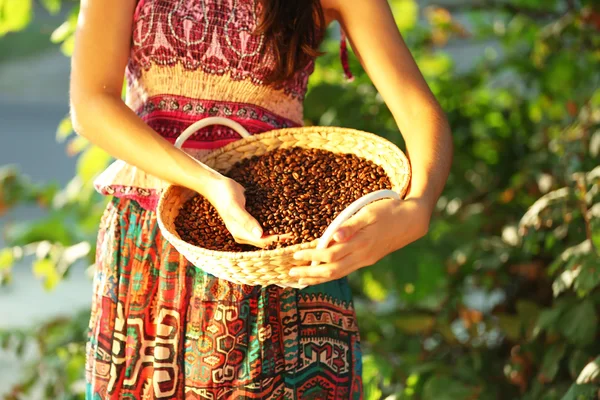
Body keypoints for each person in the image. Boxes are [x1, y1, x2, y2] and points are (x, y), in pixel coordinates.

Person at [70, 0, 452, 398]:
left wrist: (417, 208)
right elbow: (92, 105)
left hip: (277, 250)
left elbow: (420, 112)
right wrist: (208, 182)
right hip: (153, 241)